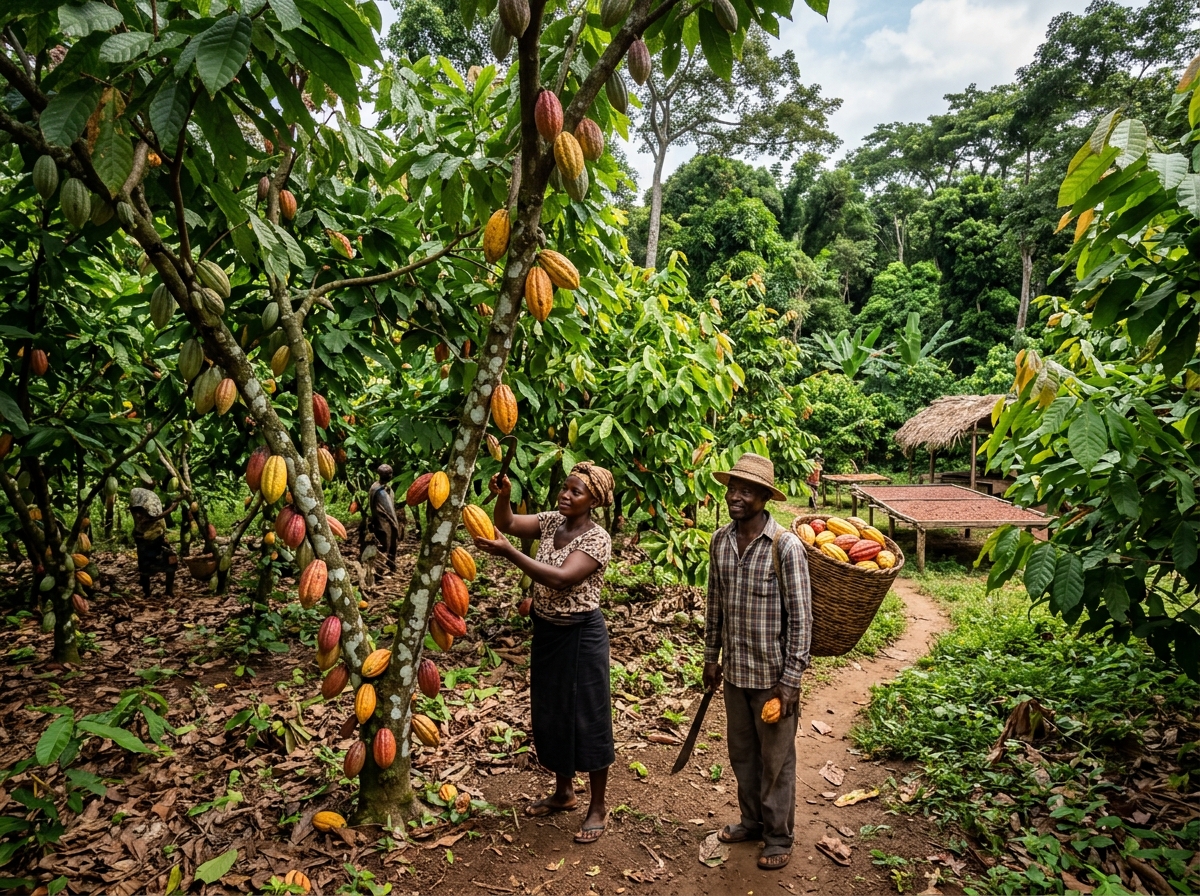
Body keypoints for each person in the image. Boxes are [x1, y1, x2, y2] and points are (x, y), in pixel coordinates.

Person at [471, 462, 616, 844]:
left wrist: (509, 555)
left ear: (594, 500)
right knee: (551, 713)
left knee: (588, 716)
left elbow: (561, 577)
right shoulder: (553, 522)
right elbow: (509, 524)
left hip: (582, 636)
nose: (565, 495)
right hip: (548, 632)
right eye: (565, 488)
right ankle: (564, 792)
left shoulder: (597, 539)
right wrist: (504, 498)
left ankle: (598, 806)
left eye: (576, 491)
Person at [703, 453, 811, 871]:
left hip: (773, 678)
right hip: (736, 673)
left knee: (777, 761)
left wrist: (790, 683)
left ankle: (779, 835)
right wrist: (711, 658)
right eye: (733, 488)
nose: (735, 496)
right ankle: (751, 821)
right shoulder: (720, 541)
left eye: (746, 490)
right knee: (742, 753)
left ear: (764, 497)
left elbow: (801, 620)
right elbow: (715, 604)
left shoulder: (785, 547)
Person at [130, 487, 179, 599]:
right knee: (145, 568)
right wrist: (143, 536)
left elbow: (161, 527)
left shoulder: (157, 518)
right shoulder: (137, 516)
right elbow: (138, 533)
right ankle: (147, 593)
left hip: (159, 542)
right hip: (145, 546)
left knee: (171, 562)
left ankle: (169, 591)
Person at [368, 464, 401, 572]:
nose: (390, 475)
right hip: (384, 522)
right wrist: (395, 524)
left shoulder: (377, 487)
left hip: (379, 521)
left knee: (385, 542)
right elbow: (389, 510)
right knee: (387, 543)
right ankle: (384, 567)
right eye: (389, 474)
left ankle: (389, 564)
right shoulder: (380, 491)